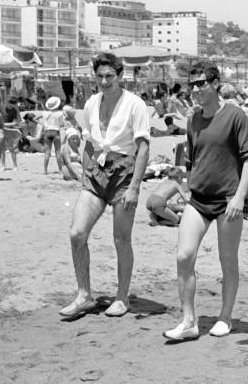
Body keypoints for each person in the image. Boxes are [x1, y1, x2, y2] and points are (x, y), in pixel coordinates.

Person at [163, 61, 248, 341]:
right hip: (199, 199)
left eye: (201, 83)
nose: (195, 90)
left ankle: (225, 317)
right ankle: (189, 321)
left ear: (216, 83)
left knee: (227, 260)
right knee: (183, 256)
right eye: (192, 85)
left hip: (229, 199)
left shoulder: (235, 116)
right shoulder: (192, 119)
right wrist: (189, 187)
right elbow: (191, 160)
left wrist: (240, 197)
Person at [59, 52, 150, 318]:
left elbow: (143, 148)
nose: (104, 81)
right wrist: (85, 169)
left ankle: (122, 297)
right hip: (96, 172)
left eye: (109, 76)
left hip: (124, 172)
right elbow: (88, 140)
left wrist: (134, 187)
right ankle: (84, 294)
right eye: (99, 76)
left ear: (120, 76)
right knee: (77, 233)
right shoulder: (91, 103)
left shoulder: (135, 104)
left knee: (121, 239)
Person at [42, 96, 64, 175]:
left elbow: (35, 119)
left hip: (47, 132)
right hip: (56, 132)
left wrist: (43, 124)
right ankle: (60, 170)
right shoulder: (59, 113)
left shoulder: (44, 113)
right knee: (58, 152)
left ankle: (45, 171)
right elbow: (62, 124)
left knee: (47, 153)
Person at [1, 96, 21, 170]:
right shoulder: (1, 109)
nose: (14, 106)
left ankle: (15, 166)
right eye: (13, 104)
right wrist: (10, 124)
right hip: (1, 131)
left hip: (9, 131)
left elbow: (15, 122)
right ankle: (3, 166)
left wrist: (4, 124)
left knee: (11, 148)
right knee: (2, 149)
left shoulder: (14, 110)